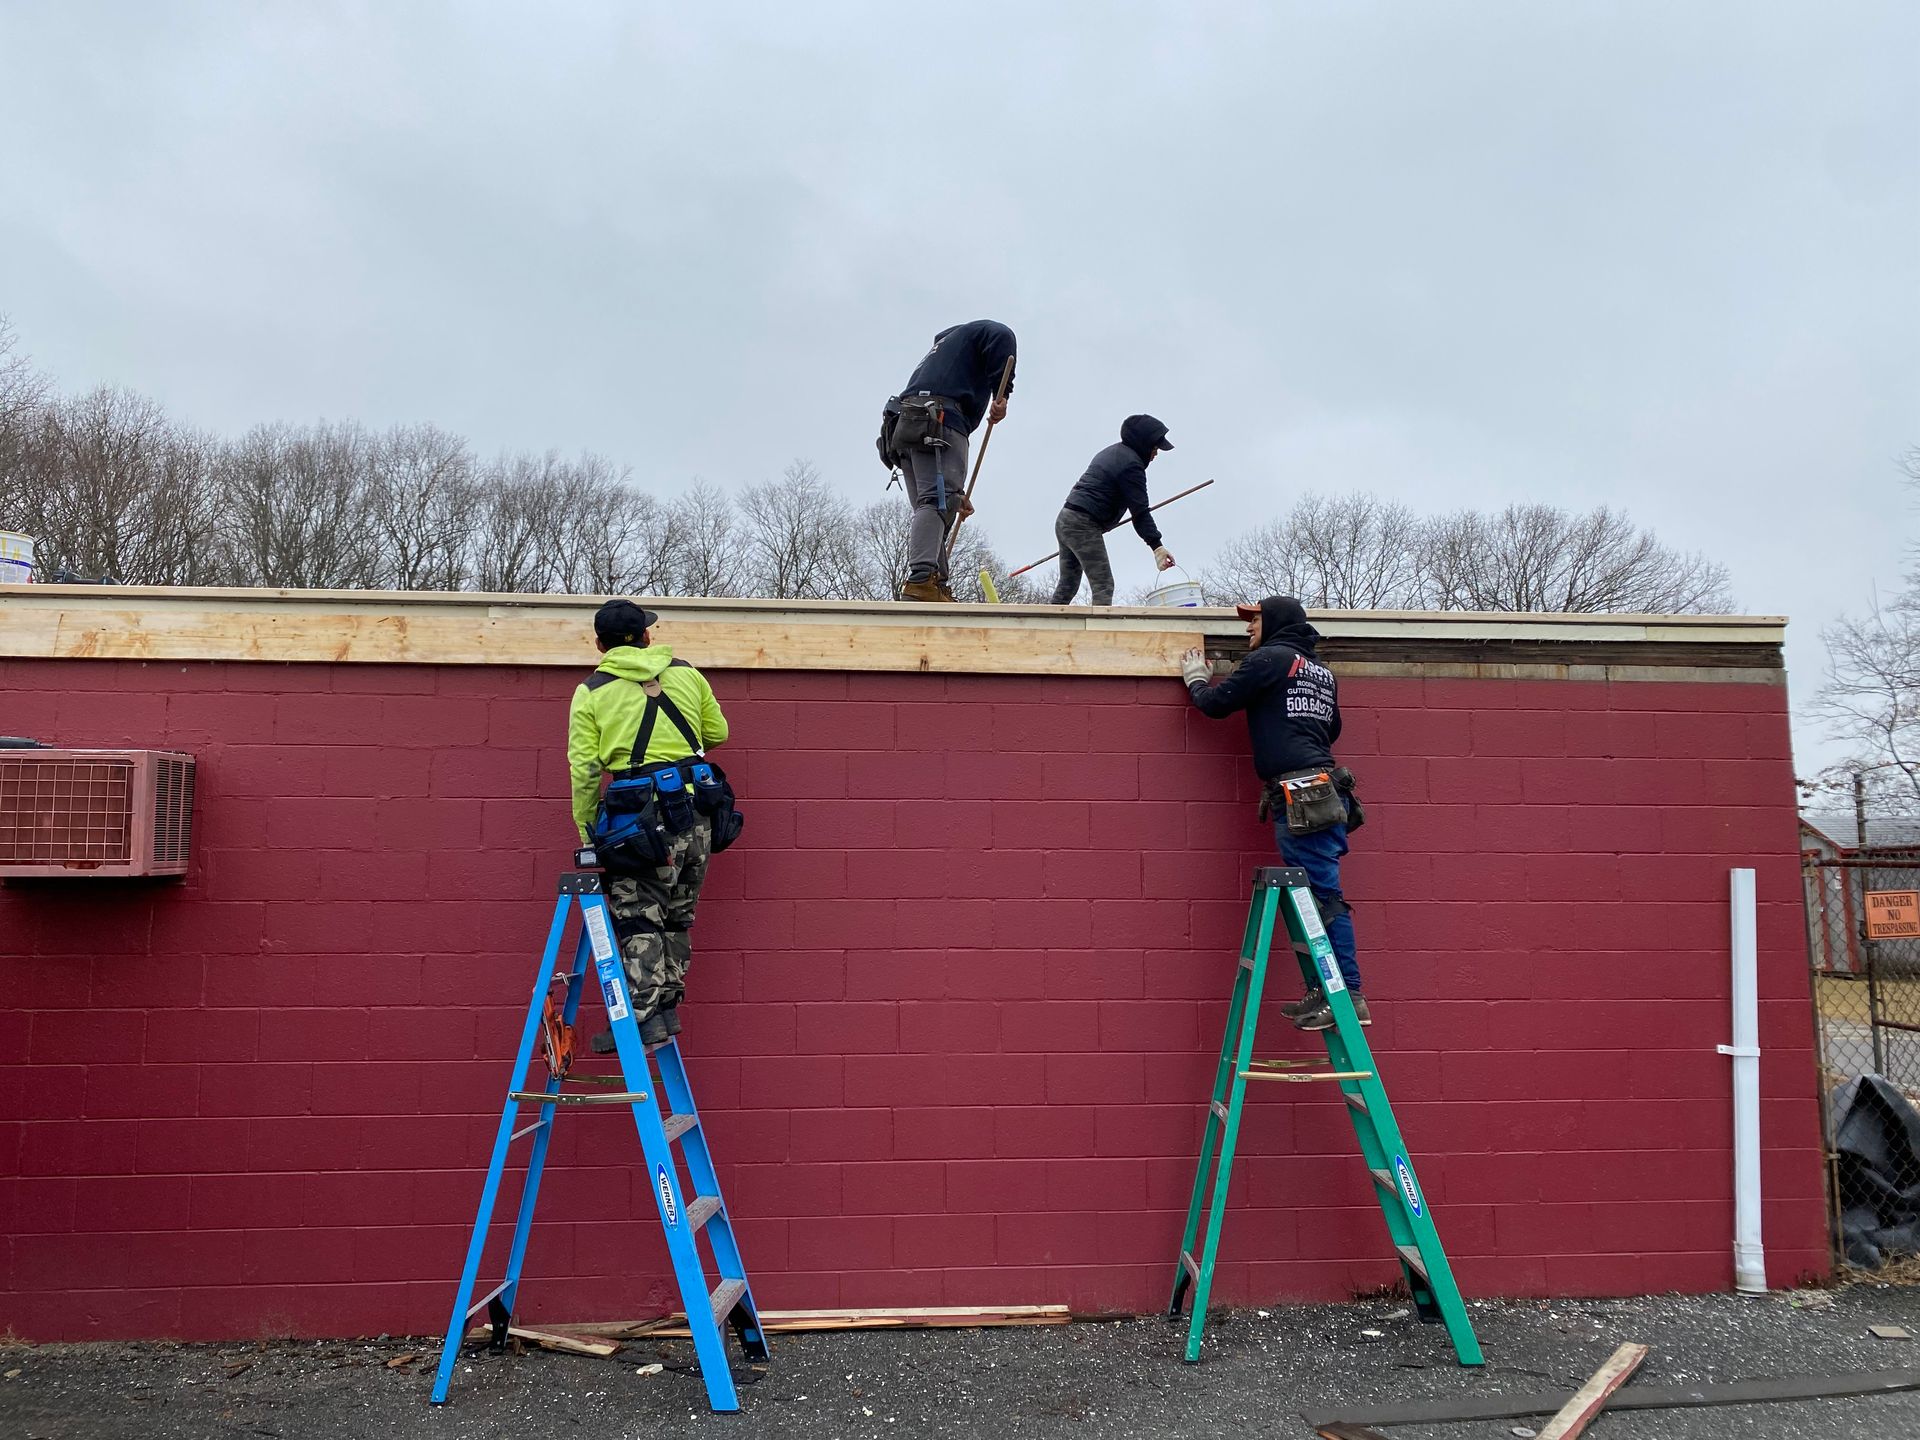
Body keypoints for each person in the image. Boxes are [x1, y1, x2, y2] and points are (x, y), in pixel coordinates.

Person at [1179, 595, 1367, 1030]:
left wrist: (1195, 681)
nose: (1248, 629)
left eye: (1254, 620)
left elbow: (1217, 703)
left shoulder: (1270, 659)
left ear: (1277, 622)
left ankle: (1348, 994)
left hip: (1300, 795)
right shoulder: (1319, 671)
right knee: (1318, 897)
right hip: (1321, 791)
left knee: (1323, 899)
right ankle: (1327, 990)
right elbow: (1331, 727)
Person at [568, 599, 730, 1044]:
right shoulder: (686, 673)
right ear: (647, 636)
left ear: (600, 645)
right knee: (678, 914)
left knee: (640, 915)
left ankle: (643, 1017)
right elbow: (717, 734)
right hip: (698, 814)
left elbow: (584, 770)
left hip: (639, 822)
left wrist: (586, 829)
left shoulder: (592, 691)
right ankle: (666, 1006)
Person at [887, 319, 1017, 602]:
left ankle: (935, 585)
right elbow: (1001, 337)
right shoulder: (988, 332)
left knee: (935, 506)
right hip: (938, 421)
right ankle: (921, 581)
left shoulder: (944, 352)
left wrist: (955, 498)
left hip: (906, 425)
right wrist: (1002, 395)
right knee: (936, 501)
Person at [1050, 415, 1177, 606]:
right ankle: (1099, 633)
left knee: (1068, 585)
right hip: (1083, 524)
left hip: (1066, 519)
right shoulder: (1131, 465)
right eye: (1155, 448)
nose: (1156, 454)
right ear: (1143, 444)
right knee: (1104, 585)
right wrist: (1157, 546)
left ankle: (1049, 625)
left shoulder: (1112, 452)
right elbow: (1140, 513)